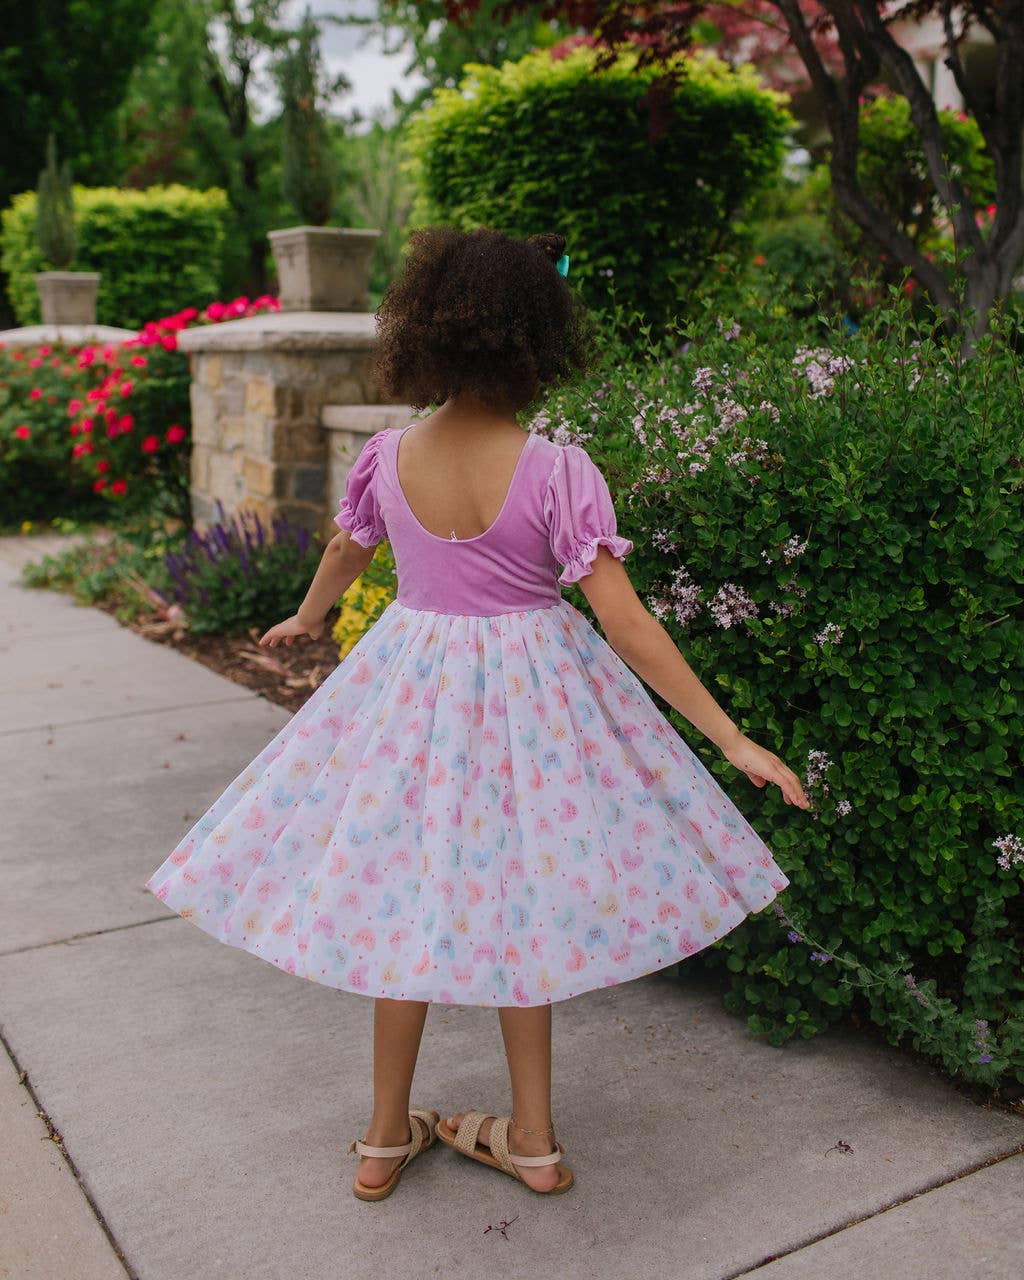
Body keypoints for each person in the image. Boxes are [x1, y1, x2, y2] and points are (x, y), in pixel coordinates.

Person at [145, 226, 809, 1204]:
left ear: (428, 334)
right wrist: (729, 737)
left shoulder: (384, 454)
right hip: (533, 708)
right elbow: (623, 623)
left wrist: (306, 616)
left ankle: (382, 1138)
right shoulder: (554, 469)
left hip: (409, 692)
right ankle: (531, 1140)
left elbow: (345, 550)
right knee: (521, 903)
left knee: (404, 902)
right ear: (536, 340)